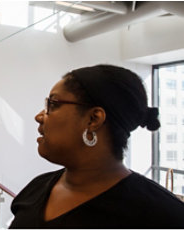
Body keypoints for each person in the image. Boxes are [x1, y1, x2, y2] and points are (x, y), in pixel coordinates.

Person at [9, 64, 184, 228]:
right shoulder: (36, 189)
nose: (39, 117)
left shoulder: (163, 216)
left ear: (94, 119)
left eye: (53, 105)